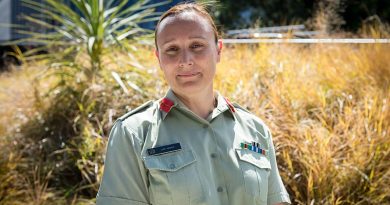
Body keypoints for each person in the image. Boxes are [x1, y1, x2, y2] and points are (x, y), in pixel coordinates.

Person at [96, 2, 291, 205]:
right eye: (172, 49)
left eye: (196, 45)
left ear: (219, 50)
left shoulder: (255, 130)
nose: (186, 60)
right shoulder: (134, 133)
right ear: (159, 59)